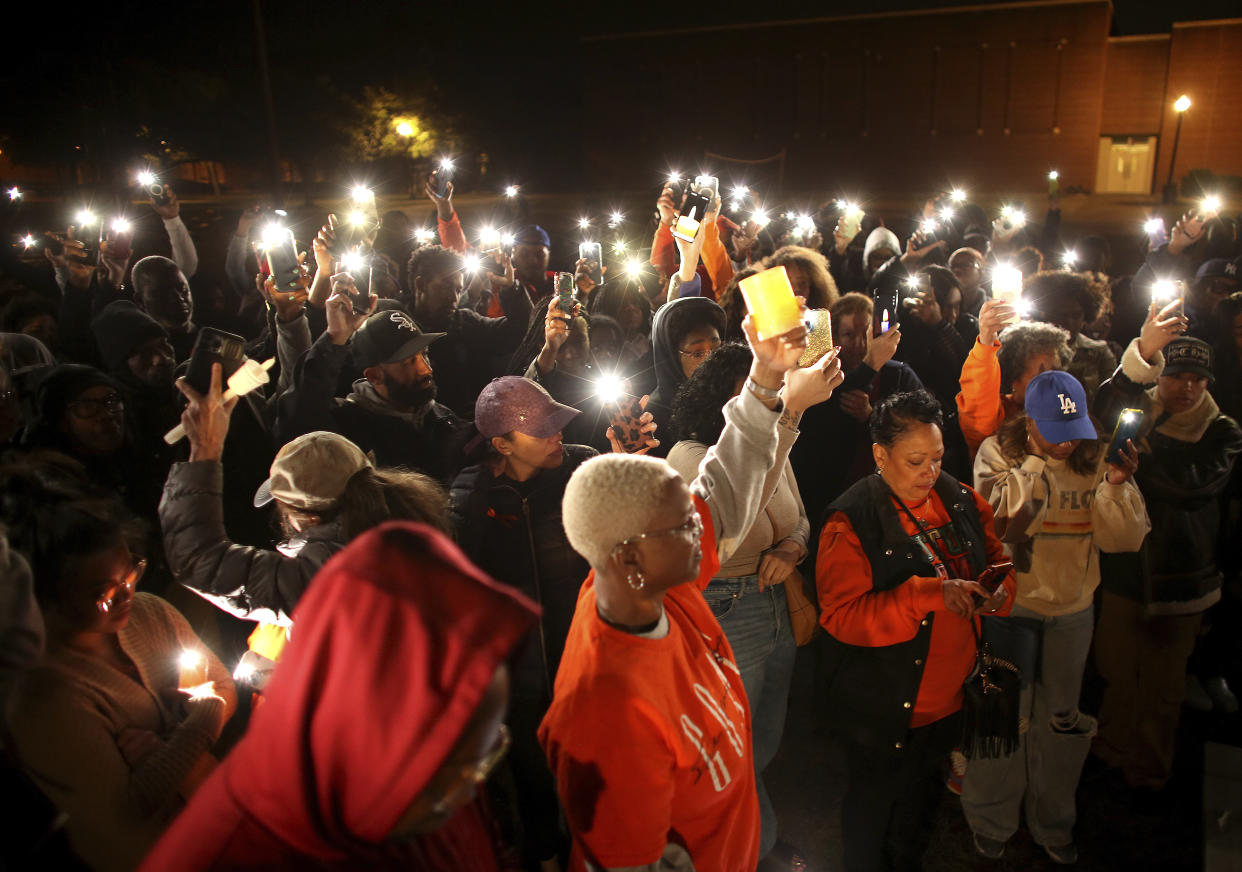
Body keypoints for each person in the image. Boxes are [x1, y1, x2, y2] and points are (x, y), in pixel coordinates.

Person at [540, 312, 813, 872]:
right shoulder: (605, 711)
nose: (702, 525)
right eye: (683, 523)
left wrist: (764, 380)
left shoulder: (666, 581)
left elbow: (724, 484)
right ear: (630, 555)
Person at [139, 522, 540, 871]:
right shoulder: (231, 854)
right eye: (461, 757)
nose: (473, 786)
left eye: (487, 746)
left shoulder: (433, 769)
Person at [815, 390, 1014, 872]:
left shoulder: (958, 497)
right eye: (915, 460)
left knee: (920, 809)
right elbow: (841, 615)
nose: (930, 471)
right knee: (873, 810)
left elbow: (992, 557)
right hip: (883, 709)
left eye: (939, 457)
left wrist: (1001, 589)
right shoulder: (853, 520)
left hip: (948, 701)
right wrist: (926, 595)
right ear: (880, 455)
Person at [450, 376, 637, 871]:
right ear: (502, 444)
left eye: (557, 424)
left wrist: (629, 465)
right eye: (542, 430)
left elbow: (633, 533)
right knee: (534, 785)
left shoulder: (581, 466)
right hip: (520, 681)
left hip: (587, 663)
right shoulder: (470, 502)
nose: (557, 436)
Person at [2, 478, 235, 872]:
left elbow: (223, 685)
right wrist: (200, 724)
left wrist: (167, 753)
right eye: (106, 592)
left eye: (132, 571)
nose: (127, 593)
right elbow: (127, 812)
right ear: (47, 599)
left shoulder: (149, 612)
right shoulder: (43, 694)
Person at [666, 340, 841, 860]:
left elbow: (800, 515)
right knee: (731, 745)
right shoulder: (689, 457)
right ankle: (747, 843)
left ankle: (746, 826)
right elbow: (731, 526)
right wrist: (784, 421)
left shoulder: (775, 443)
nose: (769, 392)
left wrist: (793, 548)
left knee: (764, 737)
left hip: (773, 606)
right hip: (726, 611)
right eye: (755, 386)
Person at [964, 371, 1148, 864]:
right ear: (1028, 422)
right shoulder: (997, 454)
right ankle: (991, 816)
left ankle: (1052, 820)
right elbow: (1004, 529)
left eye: (1074, 429)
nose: (1067, 441)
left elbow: (1123, 541)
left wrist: (1113, 486)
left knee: (1060, 722)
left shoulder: (1099, 457)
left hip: (1072, 612)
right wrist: (1033, 466)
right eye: (1053, 429)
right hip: (1013, 609)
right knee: (1002, 716)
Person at [162, 363, 448, 664]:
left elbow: (197, 559)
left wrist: (204, 449)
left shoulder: (322, 577)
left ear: (306, 517)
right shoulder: (412, 531)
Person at [1092, 328, 1242, 795]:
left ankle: (1148, 771)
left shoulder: (1223, 431)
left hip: (1182, 580)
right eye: (1177, 375)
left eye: (1198, 378)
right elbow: (1103, 408)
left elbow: (1193, 486)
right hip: (1125, 572)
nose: (1187, 387)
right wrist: (1142, 353)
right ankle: (1111, 752)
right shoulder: (1139, 414)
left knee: (1162, 688)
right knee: (1116, 672)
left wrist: (1139, 464)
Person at [274, 286, 468, 483]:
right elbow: (299, 419)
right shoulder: (349, 426)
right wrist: (335, 337)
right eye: (408, 362)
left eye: (424, 354)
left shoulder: (443, 417)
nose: (426, 369)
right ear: (375, 376)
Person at [790, 293, 922, 523]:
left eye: (865, 334)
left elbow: (919, 428)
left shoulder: (898, 374)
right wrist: (871, 364)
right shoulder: (818, 376)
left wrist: (872, 416)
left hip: (892, 493)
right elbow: (821, 425)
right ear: (835, 337)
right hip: (829, 494)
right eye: (849, 335)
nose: (860, 344)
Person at [407, 244, 531, 416]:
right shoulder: (394, 328)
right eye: (446, 286)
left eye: (458, 290)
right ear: (420, 284)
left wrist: (511, 289)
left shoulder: (466, 323)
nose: (454, 298)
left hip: (468, 429)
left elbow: (521, 332)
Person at [956, 304, 1072, 456]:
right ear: (1013, 378)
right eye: (1041, 374)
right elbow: (979, 398)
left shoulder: (1069, 411)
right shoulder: (997, 420)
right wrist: (986, 340)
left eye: (1056, 371)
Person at [646, 295, 726, 455]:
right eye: (697, 353)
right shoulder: (654, 416)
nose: (711, 359)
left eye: (716, 348)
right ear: (671, 358)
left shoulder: (733, 397)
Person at [1024, 270, 1117, 403]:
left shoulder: (1099, 352)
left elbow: (1110, 399)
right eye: (1061, 315)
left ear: (1086, 315)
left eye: (1076, 315)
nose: (1069, 322)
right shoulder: (1026, 349)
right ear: (1045, 315)